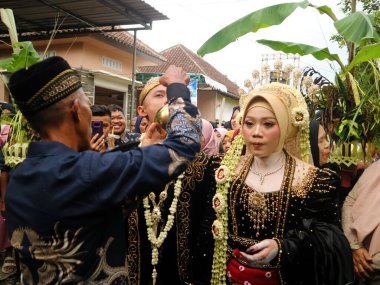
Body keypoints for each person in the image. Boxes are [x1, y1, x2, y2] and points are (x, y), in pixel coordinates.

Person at [5, 56, 201, 285]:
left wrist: (142, 148)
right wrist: (177, 89)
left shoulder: (19, 176)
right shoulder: (88, 173)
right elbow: (184, 144)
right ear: (77, 110)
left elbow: (91, 197)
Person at [210, 82, 354, 285]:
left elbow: (330, 241)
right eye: (249, 123)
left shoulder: (313, 180)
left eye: (268, 124)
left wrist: (283, 247)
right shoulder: (225, 171)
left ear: (286, 126)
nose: (256, 132)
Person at [125, 77, 218, 285]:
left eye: (174, 95)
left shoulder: (203, 164)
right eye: (160, 95)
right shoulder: (127, 158)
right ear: (141, 110)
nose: (169, 101)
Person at [342, 159, 380, 285]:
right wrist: (355, 246)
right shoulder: (376, 167)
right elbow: (350, 202)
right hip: (362, 255)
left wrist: (369, 265)